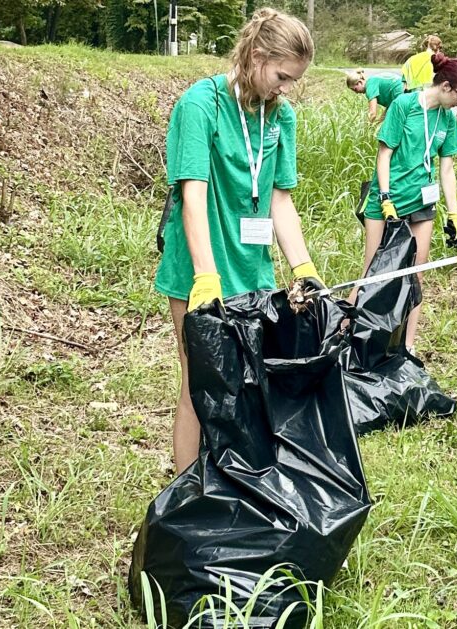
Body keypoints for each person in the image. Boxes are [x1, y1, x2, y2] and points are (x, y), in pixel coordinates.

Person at [153, 8, 325, 473]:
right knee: (200, 382)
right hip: (198, 268)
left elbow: (279, 200)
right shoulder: (200, 104)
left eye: (293, 80)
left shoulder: (279, 116)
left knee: (250, 382)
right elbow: (193, 196)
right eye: (282, 75)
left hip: (253, 270)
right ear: (254, 55)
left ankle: (234, 481)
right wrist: (206, 277)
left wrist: (303, 267)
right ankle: (188, 492)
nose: (286, 87)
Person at [359, 54, 457, 354]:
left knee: (415, 274)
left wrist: (455, 215)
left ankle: (407, 346)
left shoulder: (447, 119)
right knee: (374, 272)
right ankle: (350, 333)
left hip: (422, 201)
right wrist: (385, 198)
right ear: (447, 86)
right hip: (389, 199)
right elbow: (384, 155)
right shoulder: (404, 105)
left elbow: (446, 169)